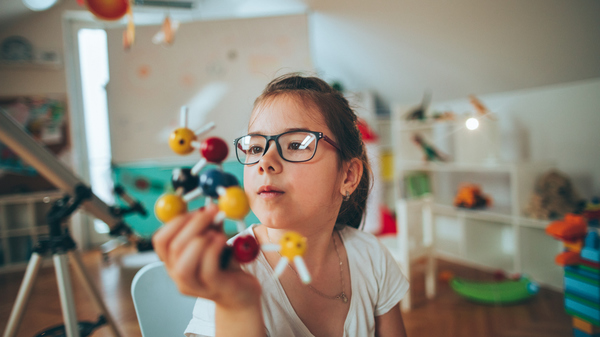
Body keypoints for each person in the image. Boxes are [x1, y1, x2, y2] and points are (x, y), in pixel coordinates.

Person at [152, 74, 409, 337]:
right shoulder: (229, 270)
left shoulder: (372, 258)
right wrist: (237, 306)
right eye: (254, 148)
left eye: (296, 144)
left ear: (348, 176)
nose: (265, 161)